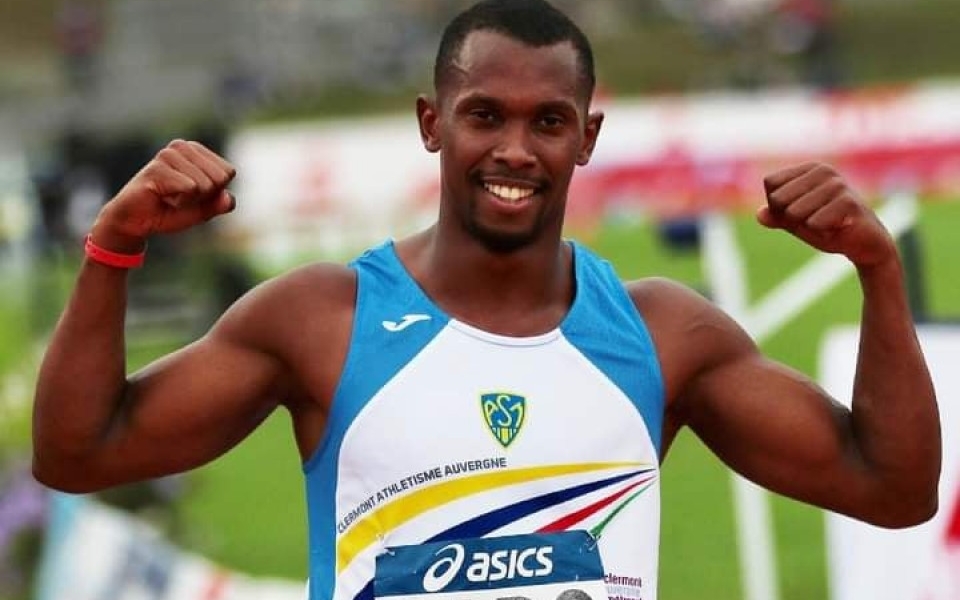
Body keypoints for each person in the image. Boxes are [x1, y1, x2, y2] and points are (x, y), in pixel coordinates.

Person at [32, 1, 941, 599]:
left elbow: (893, 490)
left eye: (548, 122)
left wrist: (878, 271)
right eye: (485, 115)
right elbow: (79, 452)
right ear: (434, 122)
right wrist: (113, 251)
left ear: (587, 138)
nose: (515, 149)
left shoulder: (664, 334)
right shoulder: (321, 319)